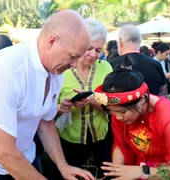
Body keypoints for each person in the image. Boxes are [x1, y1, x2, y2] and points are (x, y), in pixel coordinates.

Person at [0, 10, 94, 180]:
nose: (75, 65)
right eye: (72, 56)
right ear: (52, 41)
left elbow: (45, 121)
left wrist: (63, 166)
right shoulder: (6, 71)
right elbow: (4, 153)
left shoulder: (55, 72)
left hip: (25, 155)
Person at [93, 56, 170, 180]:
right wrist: (116, 172)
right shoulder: (118, 111)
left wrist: (142, 171)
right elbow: (120, 144)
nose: (118, 117)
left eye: (123, 112)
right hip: (138, 170)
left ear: (141, 99)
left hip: (165, 172)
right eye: (112, 112)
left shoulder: (168, 115)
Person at [46, 18, 112, 180]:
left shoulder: (106, 68)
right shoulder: (62, 69)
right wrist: (61, 108)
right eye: (88, 48)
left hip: (100, 140)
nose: (93, 55)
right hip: (69, 141)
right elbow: (45, 115)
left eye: (98, 50)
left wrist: (92, 101)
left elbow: (114, 106)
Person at [109, 24, 166, 96]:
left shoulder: (110, 65)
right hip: (150, 105)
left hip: (120, 107)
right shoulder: (156, 64)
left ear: (120, 42)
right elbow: (162, 92)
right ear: (140, 41)